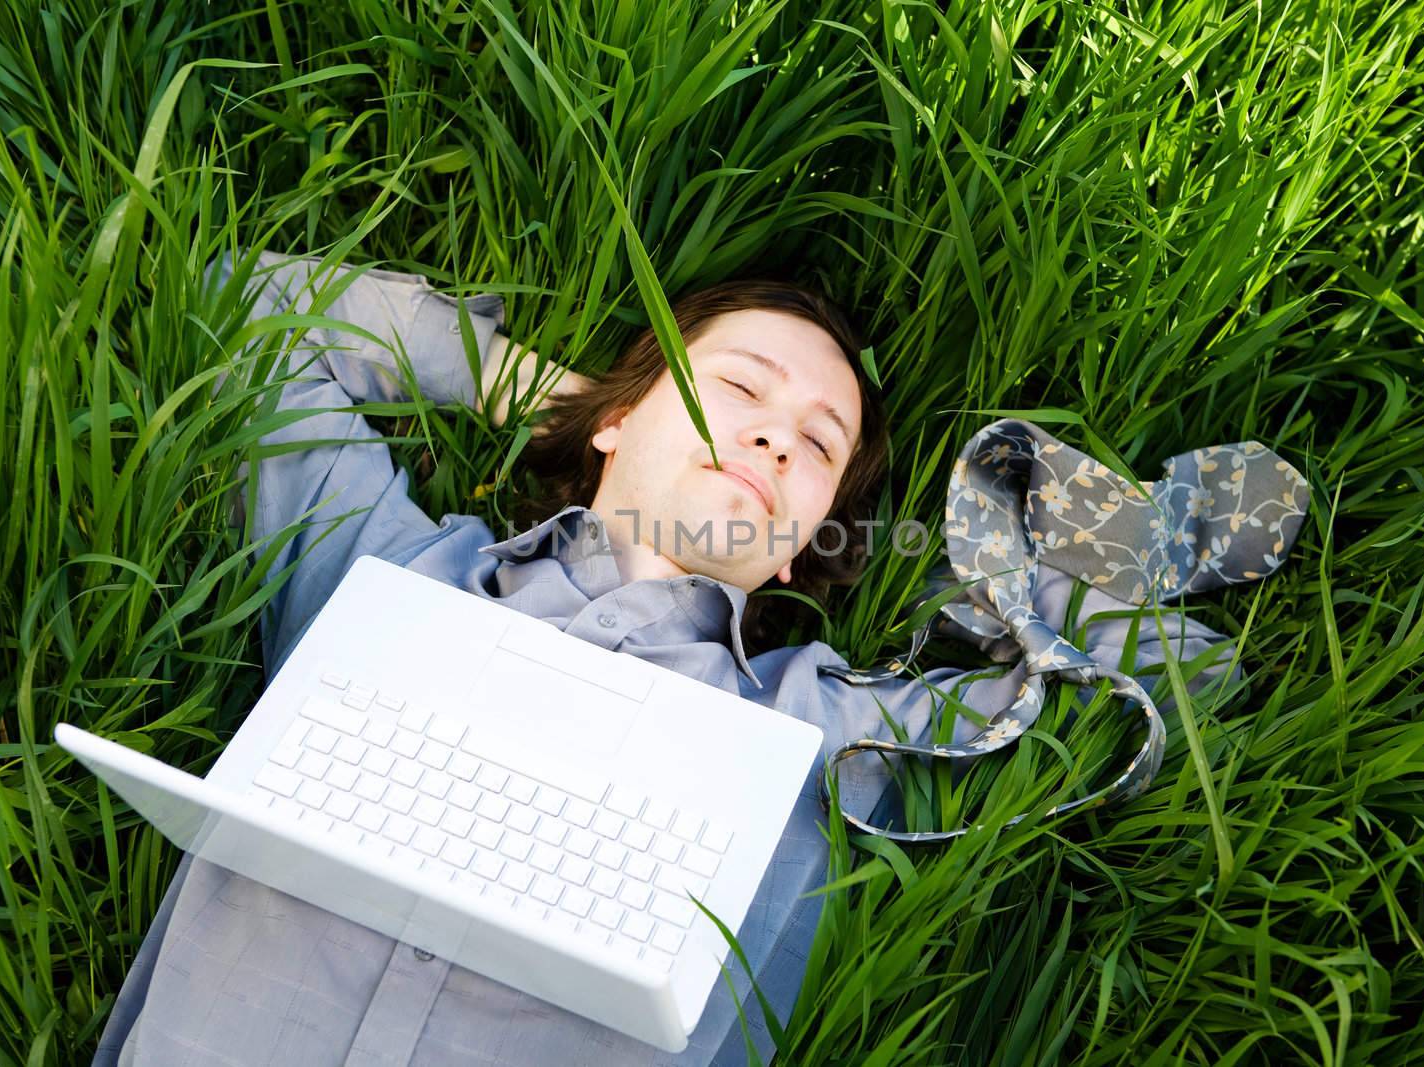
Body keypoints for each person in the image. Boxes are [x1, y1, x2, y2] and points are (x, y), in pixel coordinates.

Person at [91, 248, 1222, 1066]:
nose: (779, 433)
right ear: (619, 421)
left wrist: (972, 555)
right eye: (735, 388)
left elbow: (1182, 671)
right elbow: (255, 306)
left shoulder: (815, 732)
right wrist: (543, 391)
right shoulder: (389, 574)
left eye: (817, 446)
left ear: (799, 550)